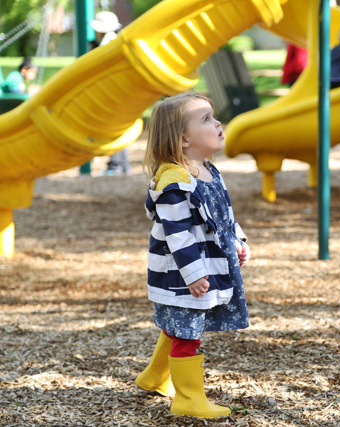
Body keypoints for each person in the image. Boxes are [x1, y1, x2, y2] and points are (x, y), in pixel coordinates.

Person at [135, 92, 251, 419]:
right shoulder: (176, 181)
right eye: (206, 119)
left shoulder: (208, 171)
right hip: (180, 274)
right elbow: (178, 234)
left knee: (181, 324)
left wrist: (238, 241)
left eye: (214, 116)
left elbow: (224, 216)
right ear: (184, 140)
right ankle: (188, 398)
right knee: (188, 331)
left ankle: (155, 378)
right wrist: (194, 274)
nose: (217, 123)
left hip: (200, 267)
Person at [90, 11, 130, 175]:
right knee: (118, 126)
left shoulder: (108, 43)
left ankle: (116, 165)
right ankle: (122, 165)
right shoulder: (118, 40)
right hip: (122, 89)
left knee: (113, 127)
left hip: (114, 91)